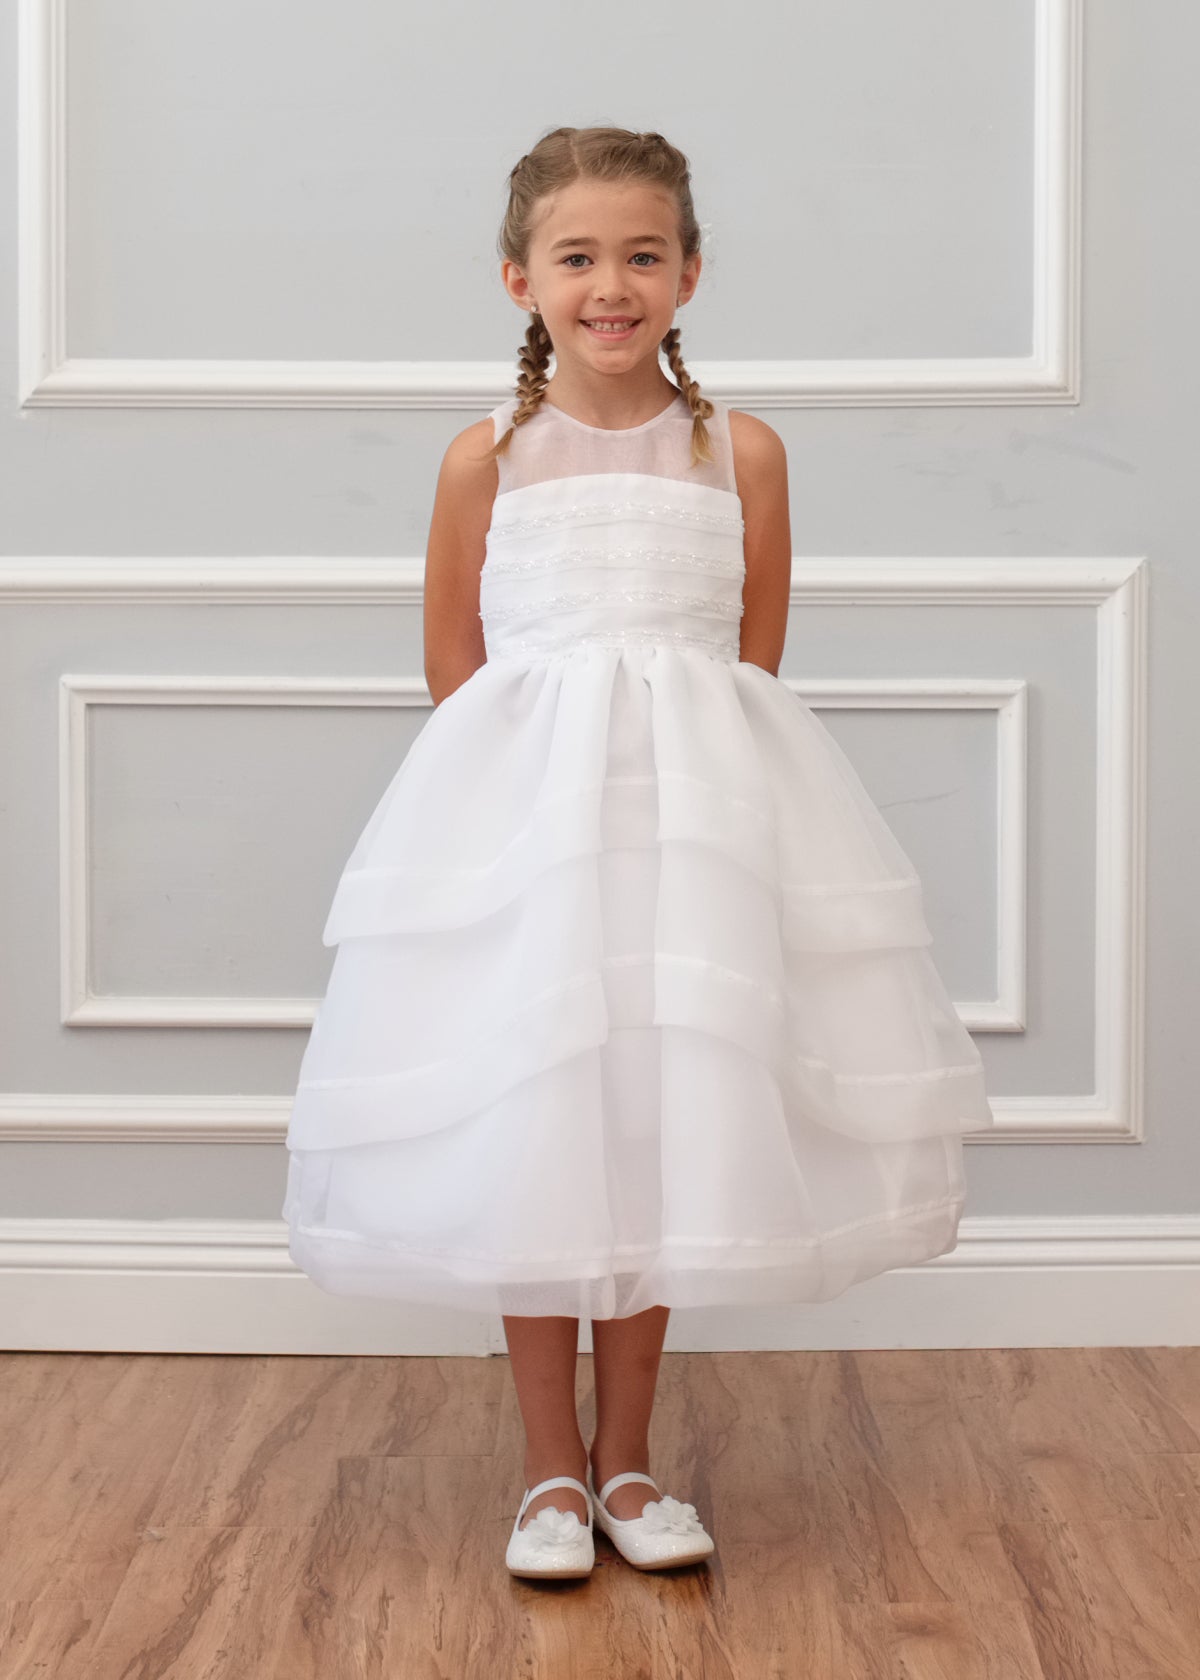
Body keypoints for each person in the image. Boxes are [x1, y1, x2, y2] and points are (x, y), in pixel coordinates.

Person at [282, 126, 996, 1579]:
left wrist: (697, 808)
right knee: (536, 1124)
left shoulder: (741, 451)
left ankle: (629, 1462)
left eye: (644, 256)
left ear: (689, 275)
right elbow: (455, 663)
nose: (613, 284)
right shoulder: (487, 457)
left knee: (660, 1122)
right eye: (579, 257)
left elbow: (751, 658)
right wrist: (520, 823)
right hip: (526, 843)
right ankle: (547, 1469)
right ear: (519, 279)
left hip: (694, 840)